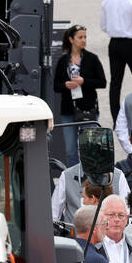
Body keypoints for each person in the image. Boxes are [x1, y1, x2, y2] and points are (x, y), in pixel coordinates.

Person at [53, 24, 107, 166]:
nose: (83, 40)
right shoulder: (63, 61)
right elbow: (56, 85)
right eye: (80, 37)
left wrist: (84, 82)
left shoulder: (92, 58)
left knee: (90, 149)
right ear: (71, 39)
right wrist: (65, 85)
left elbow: (102, 82)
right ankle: (75, 179)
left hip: (88, 109)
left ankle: (90, 180)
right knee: (71, 150)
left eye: (85, 37)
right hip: (68, 110)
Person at [51, 162, 130, 225]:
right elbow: (53, 215)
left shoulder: (118, 176)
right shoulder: (66, 175)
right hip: (74, 240)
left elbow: (126, 212)